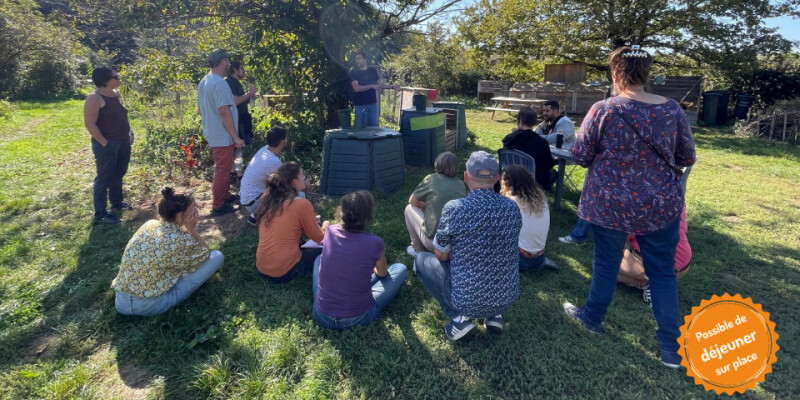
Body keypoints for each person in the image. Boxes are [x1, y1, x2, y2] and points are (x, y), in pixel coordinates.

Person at [562, 46, 696, 369]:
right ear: (647, 74)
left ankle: (592, 319)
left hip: (610, 205)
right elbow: (687, 156)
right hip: (660, 205)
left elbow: (579, 155)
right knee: (662, 273)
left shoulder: (602, 110)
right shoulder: (673, 110)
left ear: (615, 74)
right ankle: (670, 350)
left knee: (606, 264)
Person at [414, 151, 522, 341]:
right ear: (496, 179)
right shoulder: (512, 207)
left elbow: (440, 254)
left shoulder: (455, 208)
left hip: (467, 299)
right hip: (507, 297)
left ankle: (459, 319)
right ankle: (494, 316)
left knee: (420, 260)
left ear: (466, 177)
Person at [113, 187, 224, 316]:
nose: (196, 211)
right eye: (193, 207)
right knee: (217, 257)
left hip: (121, 300)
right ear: (179, 214)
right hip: (149, 305)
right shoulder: (180, 241)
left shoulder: (149, 225)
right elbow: (205, 255)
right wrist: (192, 230)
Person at [312, 191, 408, 329]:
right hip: (357, 318)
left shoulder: (330, 232)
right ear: (368, 216)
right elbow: (382, 274)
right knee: (400, 269)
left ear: (341, 212)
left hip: (321, 314)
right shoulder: (375, 243)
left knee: (318, 259)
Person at [255, 162, 329, 283]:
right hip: (285, 272)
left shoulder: (268, 202)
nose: (304, 178)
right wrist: (326, 225)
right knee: (328, 250)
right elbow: (320, 238)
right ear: (294, 181)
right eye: (302, 175)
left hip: (262, 267)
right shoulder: (302, 204)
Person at [84, 67, 134, 225]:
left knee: (118, 173)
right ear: (105, 80)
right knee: (104, 178)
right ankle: (100, 214)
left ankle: (117, 203)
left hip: (123, 142)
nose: (119, 79)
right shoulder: (94, 98)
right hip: (107, 144)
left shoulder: (115, 94)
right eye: (115, 77)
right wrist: (105, 143)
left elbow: (122, 116)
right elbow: (90, 124)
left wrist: (129, 133)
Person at [197, 49, 245, 217]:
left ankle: (225, 196)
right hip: (222, 134)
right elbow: (224, 112)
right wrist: (235, 136)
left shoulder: (204, 81)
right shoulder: (220, 83)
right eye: (228, 60)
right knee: (223, 169)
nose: (229, 63)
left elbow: (200, 109)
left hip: (213, 131)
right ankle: (218, 205)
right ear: (223, 61)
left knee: (223, 167)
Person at [618, 205, 692, 306]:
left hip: (654, 265)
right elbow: (682, 228)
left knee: (604, 266)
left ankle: (650, 284)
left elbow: (623, 237)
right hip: (682, 266)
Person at [404, 152, 466, 257]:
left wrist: (423, 206)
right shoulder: (461, 184)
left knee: (409, 209)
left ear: (438, 164)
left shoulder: (431, 179)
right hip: (455, 245)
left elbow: (412, 201)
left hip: (434, 243)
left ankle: (418, 251)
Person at [499, 165, 559, 271]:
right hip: (539, 257)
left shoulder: (510, 203)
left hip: (520, 259)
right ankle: (538, 263)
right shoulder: (542, 200)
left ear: (507, 184)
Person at [239, 126, 296, 225]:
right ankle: (270, 216)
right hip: (254, 202)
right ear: (282, 142)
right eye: (286, 138)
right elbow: (287, 184)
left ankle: (255, 216)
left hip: (248, 199)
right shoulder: (273, 161)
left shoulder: (264, 149)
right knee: (294, 194)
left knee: (272, 183)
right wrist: (303, 185)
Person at [501, 107, 556, 190]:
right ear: (534, 122)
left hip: (511, 178)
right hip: (533, 182)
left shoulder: (508, 140)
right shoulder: (541, 142)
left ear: (520, 121)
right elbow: (549, 164)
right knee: (553, 173)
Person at [349, 51, 399, 127]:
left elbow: (379, 85)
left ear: (365, 59)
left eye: (359, 58)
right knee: (360, 130)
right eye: (356, 59)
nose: (357, 61)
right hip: (360, 105)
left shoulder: (372, 71)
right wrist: (371, 86)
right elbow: (356, 88)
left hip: (373, 104)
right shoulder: (354, 72)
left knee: (373, 129)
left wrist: (392, 86)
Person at [225, 60, 258, 146]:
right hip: (237, 123)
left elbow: (241, 100)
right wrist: (249, 94)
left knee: (247, 146)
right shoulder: (229, 82)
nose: (244, 70)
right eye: (241, 68)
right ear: (234, 70)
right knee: (240, 150)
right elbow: (235, 101)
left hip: (244, 120)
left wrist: (250, 97)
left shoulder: (237, 83)